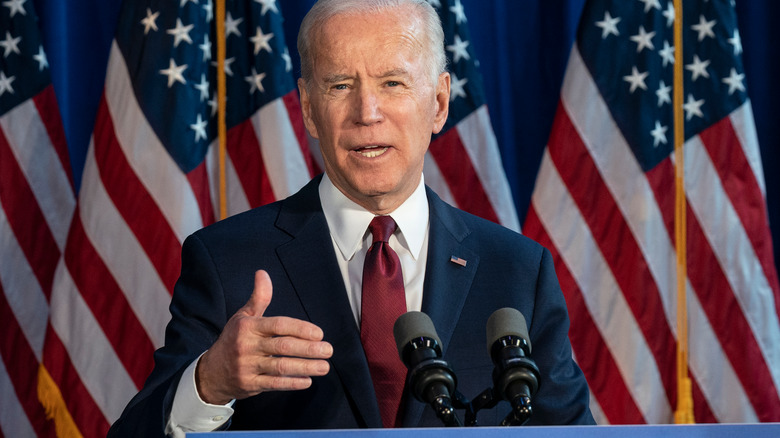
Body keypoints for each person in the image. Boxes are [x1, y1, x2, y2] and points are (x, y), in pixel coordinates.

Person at [108, 0, 595, 436]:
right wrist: (209, 382)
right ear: (309, 110)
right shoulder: (225, 261)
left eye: (392, 83)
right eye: (341, 85)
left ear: (440, 103)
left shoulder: (517, 270)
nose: (367, 111)